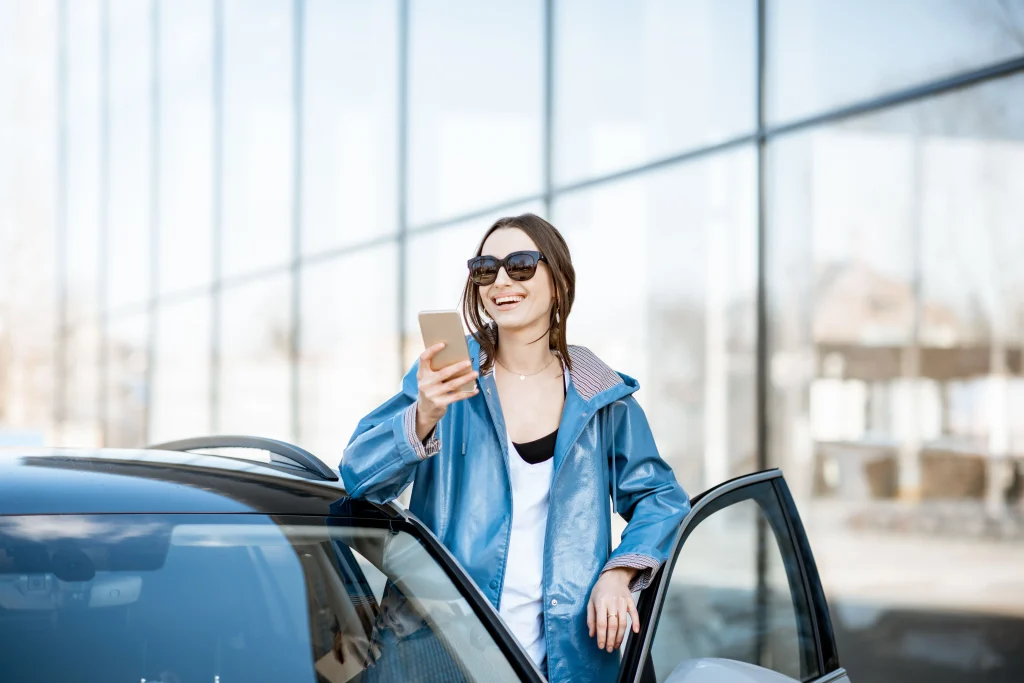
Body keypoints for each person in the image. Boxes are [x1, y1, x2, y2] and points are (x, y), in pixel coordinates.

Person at [340, 213, 690, 683]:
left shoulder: (599, 395)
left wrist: (619, 573)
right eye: (485, 269)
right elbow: (358, 478)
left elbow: (661, 498)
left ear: (558, 282)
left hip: (565, 660)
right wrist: (423, 415)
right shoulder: (450, 378)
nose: (500, 280)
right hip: (444, 653)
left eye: (521, 265)